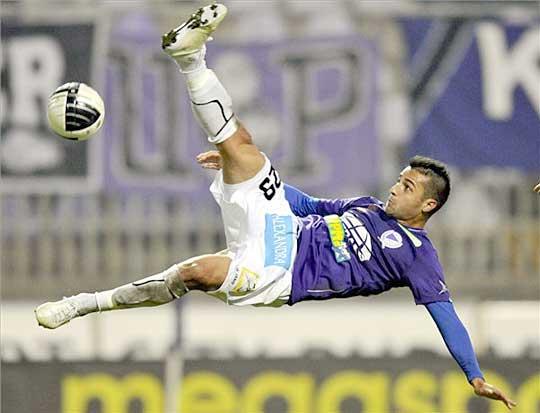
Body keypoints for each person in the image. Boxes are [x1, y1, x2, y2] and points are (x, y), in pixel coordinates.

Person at [35, 4, 516, 409]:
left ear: (428, 204)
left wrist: (472, 374)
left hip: (279, 273)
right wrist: (236, 165)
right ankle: (190, 57)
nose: (395, 188)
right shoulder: (368, 207)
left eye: (407, 187)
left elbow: (445, 314)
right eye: (399, 179)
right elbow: (308, 204)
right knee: (243, 144)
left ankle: (83, 305)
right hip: (281, 221)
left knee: (197, 273)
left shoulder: (417, 254)